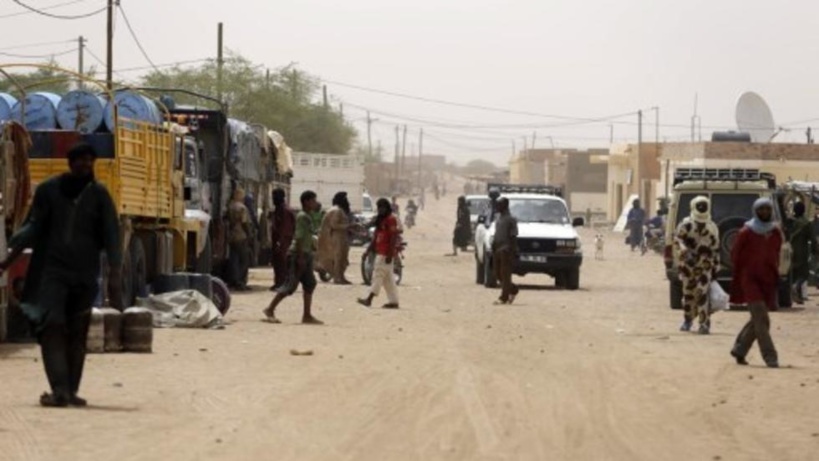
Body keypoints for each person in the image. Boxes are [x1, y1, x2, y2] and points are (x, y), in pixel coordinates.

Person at [0, 143, 122, 407]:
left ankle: (70, 390)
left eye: (90, 161)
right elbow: (32, 227)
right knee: (52, 325)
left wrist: (115, 274)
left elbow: (113, 234)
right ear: (70, 163)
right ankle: (59, 389)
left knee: (78, 331)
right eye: (80, 161)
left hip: (84, 274)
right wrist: (7, 261)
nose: (85, 166)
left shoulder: (100, 195)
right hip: (51, 272)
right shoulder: (48, 191)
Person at [730, 198, 782, 368]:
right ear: (755, 211)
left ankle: (740, 349)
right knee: (762, 318)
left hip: (767, 281)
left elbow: (776, 254)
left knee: (758, 319)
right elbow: (735, 255)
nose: (765, 212)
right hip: (749, 280)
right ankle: (770, 356)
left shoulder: (775, 232)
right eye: (761, 209)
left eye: (767, 209)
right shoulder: (746, 232)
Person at [262, 190, 323, 325]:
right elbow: (300, 238)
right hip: (297, 255)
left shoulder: (307, 216)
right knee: (290, 286)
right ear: (306, 202)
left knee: (310, 283)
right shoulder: (302, 217)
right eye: (313, 200)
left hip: (305, 254)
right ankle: (270, 309)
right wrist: (300, 257)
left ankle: (307, 315)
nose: (315, 203)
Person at [674, 196, 720, 334]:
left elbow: (715, 248)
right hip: (688, 266)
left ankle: (704, 324)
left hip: (705, 266)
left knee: (702, 294)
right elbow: (677, 240)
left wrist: (716, 268)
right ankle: (688, 320)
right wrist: (683, 251)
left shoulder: (712, 226)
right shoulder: (686, 224)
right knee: (688, 294)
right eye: (699, 206)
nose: (701, 208)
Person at [358, 198, 400, 309]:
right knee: (388, 279)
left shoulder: (391, 219)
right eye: (379, 207)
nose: (381, 209)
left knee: (378, 275)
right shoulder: (380, 220)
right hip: (380, 251)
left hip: (385, 253)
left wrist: (390, 254)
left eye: (383, 207)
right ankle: (393, 301)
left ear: (387, 208)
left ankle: (369, 299)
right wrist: (367, 251)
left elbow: (393, 237)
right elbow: (375, 238)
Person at [317, 192, 353, 285]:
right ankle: (337, 278)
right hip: (336, 237)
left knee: (342, 258)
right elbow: (334, 225)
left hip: (341, 236)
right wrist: (348, 226)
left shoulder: (338, 210)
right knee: (338, 257)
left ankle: (341, 277)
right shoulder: (336, 211)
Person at [787, 202, 817, 304]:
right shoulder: (806, 223)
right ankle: (796, 287)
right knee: (804, 274)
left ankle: (797, 297)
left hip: (789, 249)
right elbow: (812, 238)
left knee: (793, 273)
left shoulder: (789, 221)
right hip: (801, 251)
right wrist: (815, 250)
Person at [492, 197, 520, 305]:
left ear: (505, 206)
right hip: (497, 249)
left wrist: (513, 251)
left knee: (505, 274)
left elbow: (513, 236)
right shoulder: (499, 218)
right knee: (498, 274)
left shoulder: (511, 219)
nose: (497, 207)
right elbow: (497, 234)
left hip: (506, 250)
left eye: (499, 204)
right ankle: (513, 289)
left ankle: (503, 297)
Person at [270, 188, 295, 290]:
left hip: (284, 241)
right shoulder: (278, 209)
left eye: (275, 197)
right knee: (277, 262)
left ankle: (284, 284)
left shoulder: (285, 211)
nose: (273, 199)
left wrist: (280, 242)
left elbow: (285, 229)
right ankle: (278, 282)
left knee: (283, 262)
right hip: (277, 240)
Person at [227, 188, 252, 291]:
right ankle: (241, 282)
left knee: (234, 260)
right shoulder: (242, 208)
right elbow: (244, 223)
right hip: (241, 236)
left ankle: (234, 280)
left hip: (231, 236)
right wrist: (249, 234)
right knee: (243, 260)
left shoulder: (230, 206)